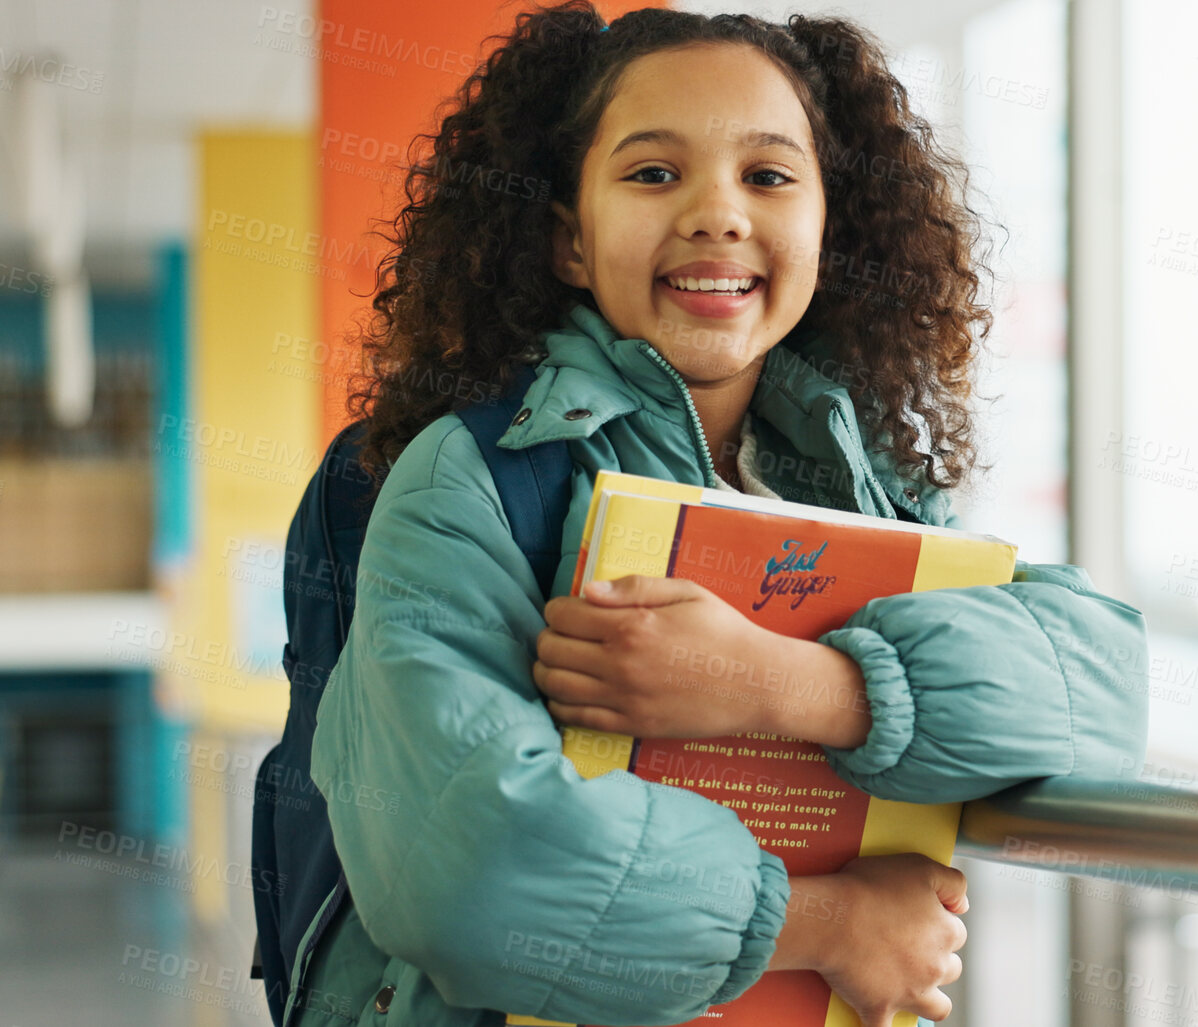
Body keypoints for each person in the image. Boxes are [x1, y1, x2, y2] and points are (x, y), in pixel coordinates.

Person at [297, 5, 1150, 1026]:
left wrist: (788, 684)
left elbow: (1102, 706)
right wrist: (831, 924)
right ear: (571, 238)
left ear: (828, 227)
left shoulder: (868, 483)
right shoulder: (473, 476)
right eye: (653, 174)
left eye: (770, 176)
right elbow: (471, 872)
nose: (718, 214)